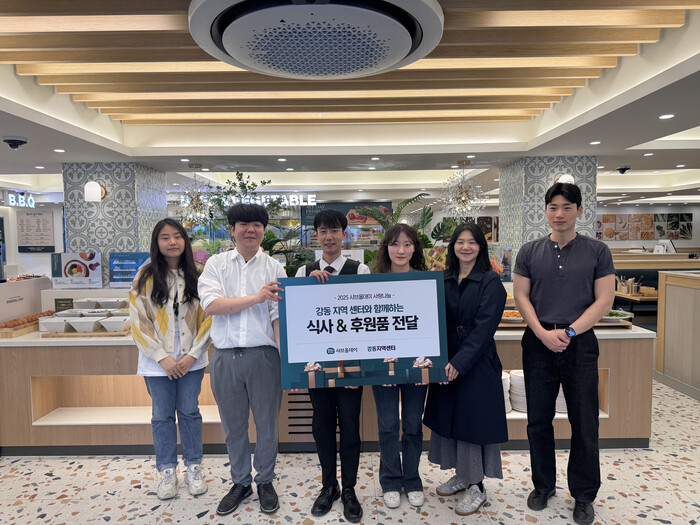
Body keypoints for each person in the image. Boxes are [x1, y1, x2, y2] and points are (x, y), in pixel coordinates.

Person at [513, 182, 615, 525]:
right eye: (553, 207)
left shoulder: (597, 251)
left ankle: (584, 495)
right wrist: (543, 334)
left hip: (580, 343)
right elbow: (521, 296)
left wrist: (570, 332)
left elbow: (604, 300)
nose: (559, 214)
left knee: (584, 421)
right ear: (545, 211)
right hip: (538, 342)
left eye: (567, 207)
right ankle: (543, 486)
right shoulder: (529, 251)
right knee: (538, 420)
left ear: (579, 211)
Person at [197, 203, 287, 517]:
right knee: (233, 426)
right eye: (244, 224)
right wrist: (256, 297)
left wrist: (287, 360)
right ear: (232, 229)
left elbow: (277, 316)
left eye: (257, 225)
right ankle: (240, 482)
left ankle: (265, 480)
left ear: (264, 230)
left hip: (264, 357)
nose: (251, 230)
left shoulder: (275, 268)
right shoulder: (216, 264)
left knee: (267, 425)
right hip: (225, 357)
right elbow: (212, 305)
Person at [423, 222, 507, 516]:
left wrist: (459, 363)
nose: (466, 247)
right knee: (451, 420)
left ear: (481, 247)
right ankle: (462, 475)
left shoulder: (490, 281)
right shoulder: (443, 278)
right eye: (460, 241)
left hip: (477, 363)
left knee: (473, 424)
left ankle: (477, 486)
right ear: (453, 246)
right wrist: (439, 360)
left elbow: (484, 330)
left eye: (472, 242)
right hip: (445, 359)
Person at [295, 208, 370, 523]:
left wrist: (361, 365)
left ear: (344, 234)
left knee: (350, 426)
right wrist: (307, 287)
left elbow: (366, 318)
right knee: (322, 425)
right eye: (323, 231)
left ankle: (349, 488)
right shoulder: (304, 272)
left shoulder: (360, 270)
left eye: (334, 230)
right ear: (316, 236)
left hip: (350, 364)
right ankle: (329, 486)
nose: (328, 237)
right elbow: (297, 318)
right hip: (317, 364)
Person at [129, 218, 212, 500]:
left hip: (192, 360)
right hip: (157, 364)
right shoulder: (144, 276)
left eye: (177, 236)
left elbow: (210, 317)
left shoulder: (200, 273)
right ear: (157, 242)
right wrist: (161, 357)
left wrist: (193, 354)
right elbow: (138, 321)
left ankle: (194, 467)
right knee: (162, 416)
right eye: (165, 237)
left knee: (189, 412)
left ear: (185, 241)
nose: (172, 242)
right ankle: (166, 470)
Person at [371, 223, 429, 509]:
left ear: (415, 248)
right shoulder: (373, 282)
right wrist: (379, 364)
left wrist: (431, 365)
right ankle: (391, 480)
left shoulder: (426, 282)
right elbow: (367, 328)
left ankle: (413, 479)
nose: (401, 250)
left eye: (407, 244)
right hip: (383, 366)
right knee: (388, 426)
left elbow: (431, 325)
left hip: (418, 366)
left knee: (413, 425)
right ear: (387, 248)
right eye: (395, 244)